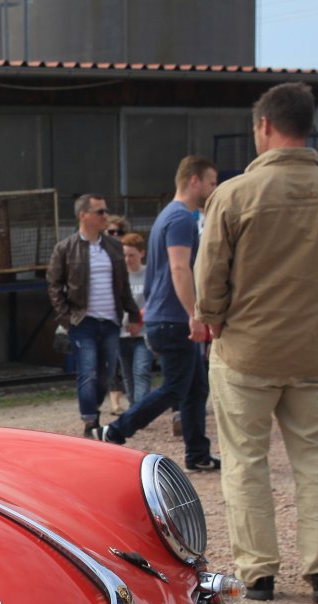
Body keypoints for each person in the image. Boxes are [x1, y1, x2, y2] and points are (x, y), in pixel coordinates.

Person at [194, 82, 318, 604]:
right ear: (308, 125)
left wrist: (212, 318)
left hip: (246, 349)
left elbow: (209, 275)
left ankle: (258, 571)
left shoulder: (235, 194)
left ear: (264, 125)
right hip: (313, 350)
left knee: (245, 459)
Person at [101, 156, 219, 471]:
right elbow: (179, 268)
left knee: (196, 388)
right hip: (174, 319)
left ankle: (198, 454)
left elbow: (162, 271)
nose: (214, 189)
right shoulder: (181, 218)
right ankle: (115, 431)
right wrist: (194, 313)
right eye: (211, 183)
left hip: (165, 316)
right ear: (194, 181)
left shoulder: (168, 215)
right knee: (175, 387)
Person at [47, 193, 139, 438]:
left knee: (106, 374)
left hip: (110, 321)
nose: (105, 216)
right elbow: (54, 285)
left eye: (105, 211)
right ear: (83, 216)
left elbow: (124, 285)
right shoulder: (65, 248)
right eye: (100, 212)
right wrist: (66, 318)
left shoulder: (114, 247)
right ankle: (90, 421)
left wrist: (133, 315)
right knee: (87, 371)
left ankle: (93, 409)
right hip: (82, 321)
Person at [117, 232, 152, 407]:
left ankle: (140, 409)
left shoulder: (150, 274)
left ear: (141, 253)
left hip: (144, 332)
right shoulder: (118, 276)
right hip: (123, 332)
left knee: (141, 371)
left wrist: (139, 320)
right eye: (124, 255)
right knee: (128, 374)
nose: (127, 259)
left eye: (132, 255)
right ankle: (134, 408)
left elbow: (155, 300)